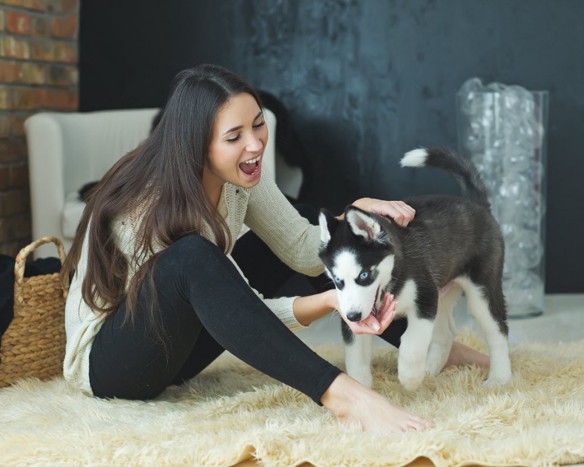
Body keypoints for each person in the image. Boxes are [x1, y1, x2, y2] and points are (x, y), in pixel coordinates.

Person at [60, 64, 488, 433]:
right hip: (114, 365)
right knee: (193, 258)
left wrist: (350, 216)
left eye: (258, 124)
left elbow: (303, 251)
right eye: (234, 136)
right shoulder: (147, 207)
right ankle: (342, 396)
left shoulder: (246, 177)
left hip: (180, 350)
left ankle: (433, 345)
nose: (255, 144)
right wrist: (325, 303)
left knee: (324, 238)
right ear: (197, 146)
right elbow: (238, 307)